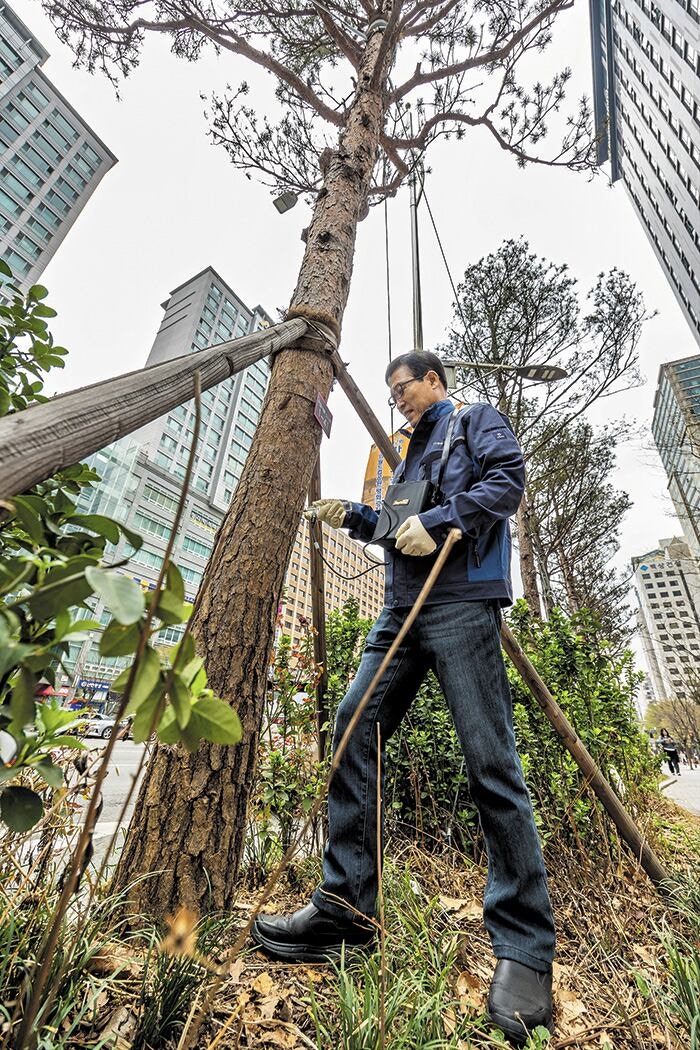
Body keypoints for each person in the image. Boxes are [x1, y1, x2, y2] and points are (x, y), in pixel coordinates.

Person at [252, 352, 555, 1044]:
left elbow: (507, 483)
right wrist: (356, 517)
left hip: (460, 604)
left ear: (435, 382)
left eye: (404, 388)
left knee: (491, 765)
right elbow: (398, 531)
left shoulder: (474, 423)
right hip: (399, 612)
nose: (399, 403)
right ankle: (346, 911)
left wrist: (449, 517)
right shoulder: (409, 460)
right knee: (351, 727)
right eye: (391, 395)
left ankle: (525, 948)